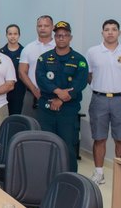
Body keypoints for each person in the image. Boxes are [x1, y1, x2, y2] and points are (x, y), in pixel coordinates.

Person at [86, 19, 121, 184]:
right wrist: (103, 86)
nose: (110, 32)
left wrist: (117, 87)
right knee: (99, 138)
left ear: (119, 33)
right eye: (107, 29)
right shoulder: (93, 52)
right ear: (102, 33)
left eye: (114, 29)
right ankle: (99, 173)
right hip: (99, 99)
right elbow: (88, 75)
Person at [36, 21, 88, 172]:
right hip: (46, 108)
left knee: (67, 145)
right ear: (55, 37)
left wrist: (61, 98)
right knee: (46, 144)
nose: (61, 38)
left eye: (65, 35)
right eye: (58, 35)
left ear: (70, 37)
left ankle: (70, 177)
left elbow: (80, 83)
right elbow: (41, 79)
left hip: (68, 110)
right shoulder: (44, 58)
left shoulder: (79, 60)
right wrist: (58, 91)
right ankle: (45, 176)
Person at [19, 15, 55, 118]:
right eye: (40, 26)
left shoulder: (58, 48)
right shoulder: (28, 48)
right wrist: (35, 90)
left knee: (50, 130)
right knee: (29, 127)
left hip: (54, 96)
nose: (42, 28)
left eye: (46, 25)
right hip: (31, 95)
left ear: (52, 27)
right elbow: (22, 72)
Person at [0, 24, 26, 115]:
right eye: (10, 34)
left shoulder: (25, 52)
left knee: (16, 116)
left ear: (19, 35)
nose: (12, 36)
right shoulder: (0, 53)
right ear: (6, 35)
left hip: (19, 91)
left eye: (15, 34)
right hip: (2, 91)